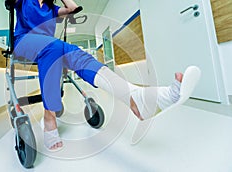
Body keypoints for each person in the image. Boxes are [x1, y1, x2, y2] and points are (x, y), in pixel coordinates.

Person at [13, 0, 186, 151]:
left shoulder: (52, 8)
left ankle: (134, 97)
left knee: (77, 52)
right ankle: (49, 117)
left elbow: (72, 8)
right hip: (24, 42)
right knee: (55, 46)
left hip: (51, 47)